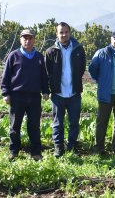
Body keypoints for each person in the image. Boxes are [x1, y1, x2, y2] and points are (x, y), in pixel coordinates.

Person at [1, 29, 50, 161]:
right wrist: (5, 93)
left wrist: (46, 90)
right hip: (17, 96)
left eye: (30, 38)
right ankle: (14, 151)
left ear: (34, 40)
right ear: (21, 40)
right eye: (25, 38)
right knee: (15, 126)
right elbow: (5, 77)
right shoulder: (13, 56)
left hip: (34, 97)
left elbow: (44, 77)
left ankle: (36, 153)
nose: (27, 41)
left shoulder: (39, 57)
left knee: (34, 126)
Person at [45, 22, 86, 157]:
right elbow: (47, 72)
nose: (64, 35)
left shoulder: (78, 49)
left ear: (70, 32)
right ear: (57, 34)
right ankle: (59, 148)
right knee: (58, 123)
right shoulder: (51, 51)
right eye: (61, 32)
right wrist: (50, 88)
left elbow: (81, 69)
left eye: (66, 32)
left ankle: (72, 147)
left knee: (74, 122)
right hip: (58, 93)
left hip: (74, 93)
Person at [88, 30, 115, 154]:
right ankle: (99, 148)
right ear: (111, 39)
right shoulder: (102, 53)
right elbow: (92, 69)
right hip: (105, 94)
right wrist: (102, 80)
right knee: (102, 122)